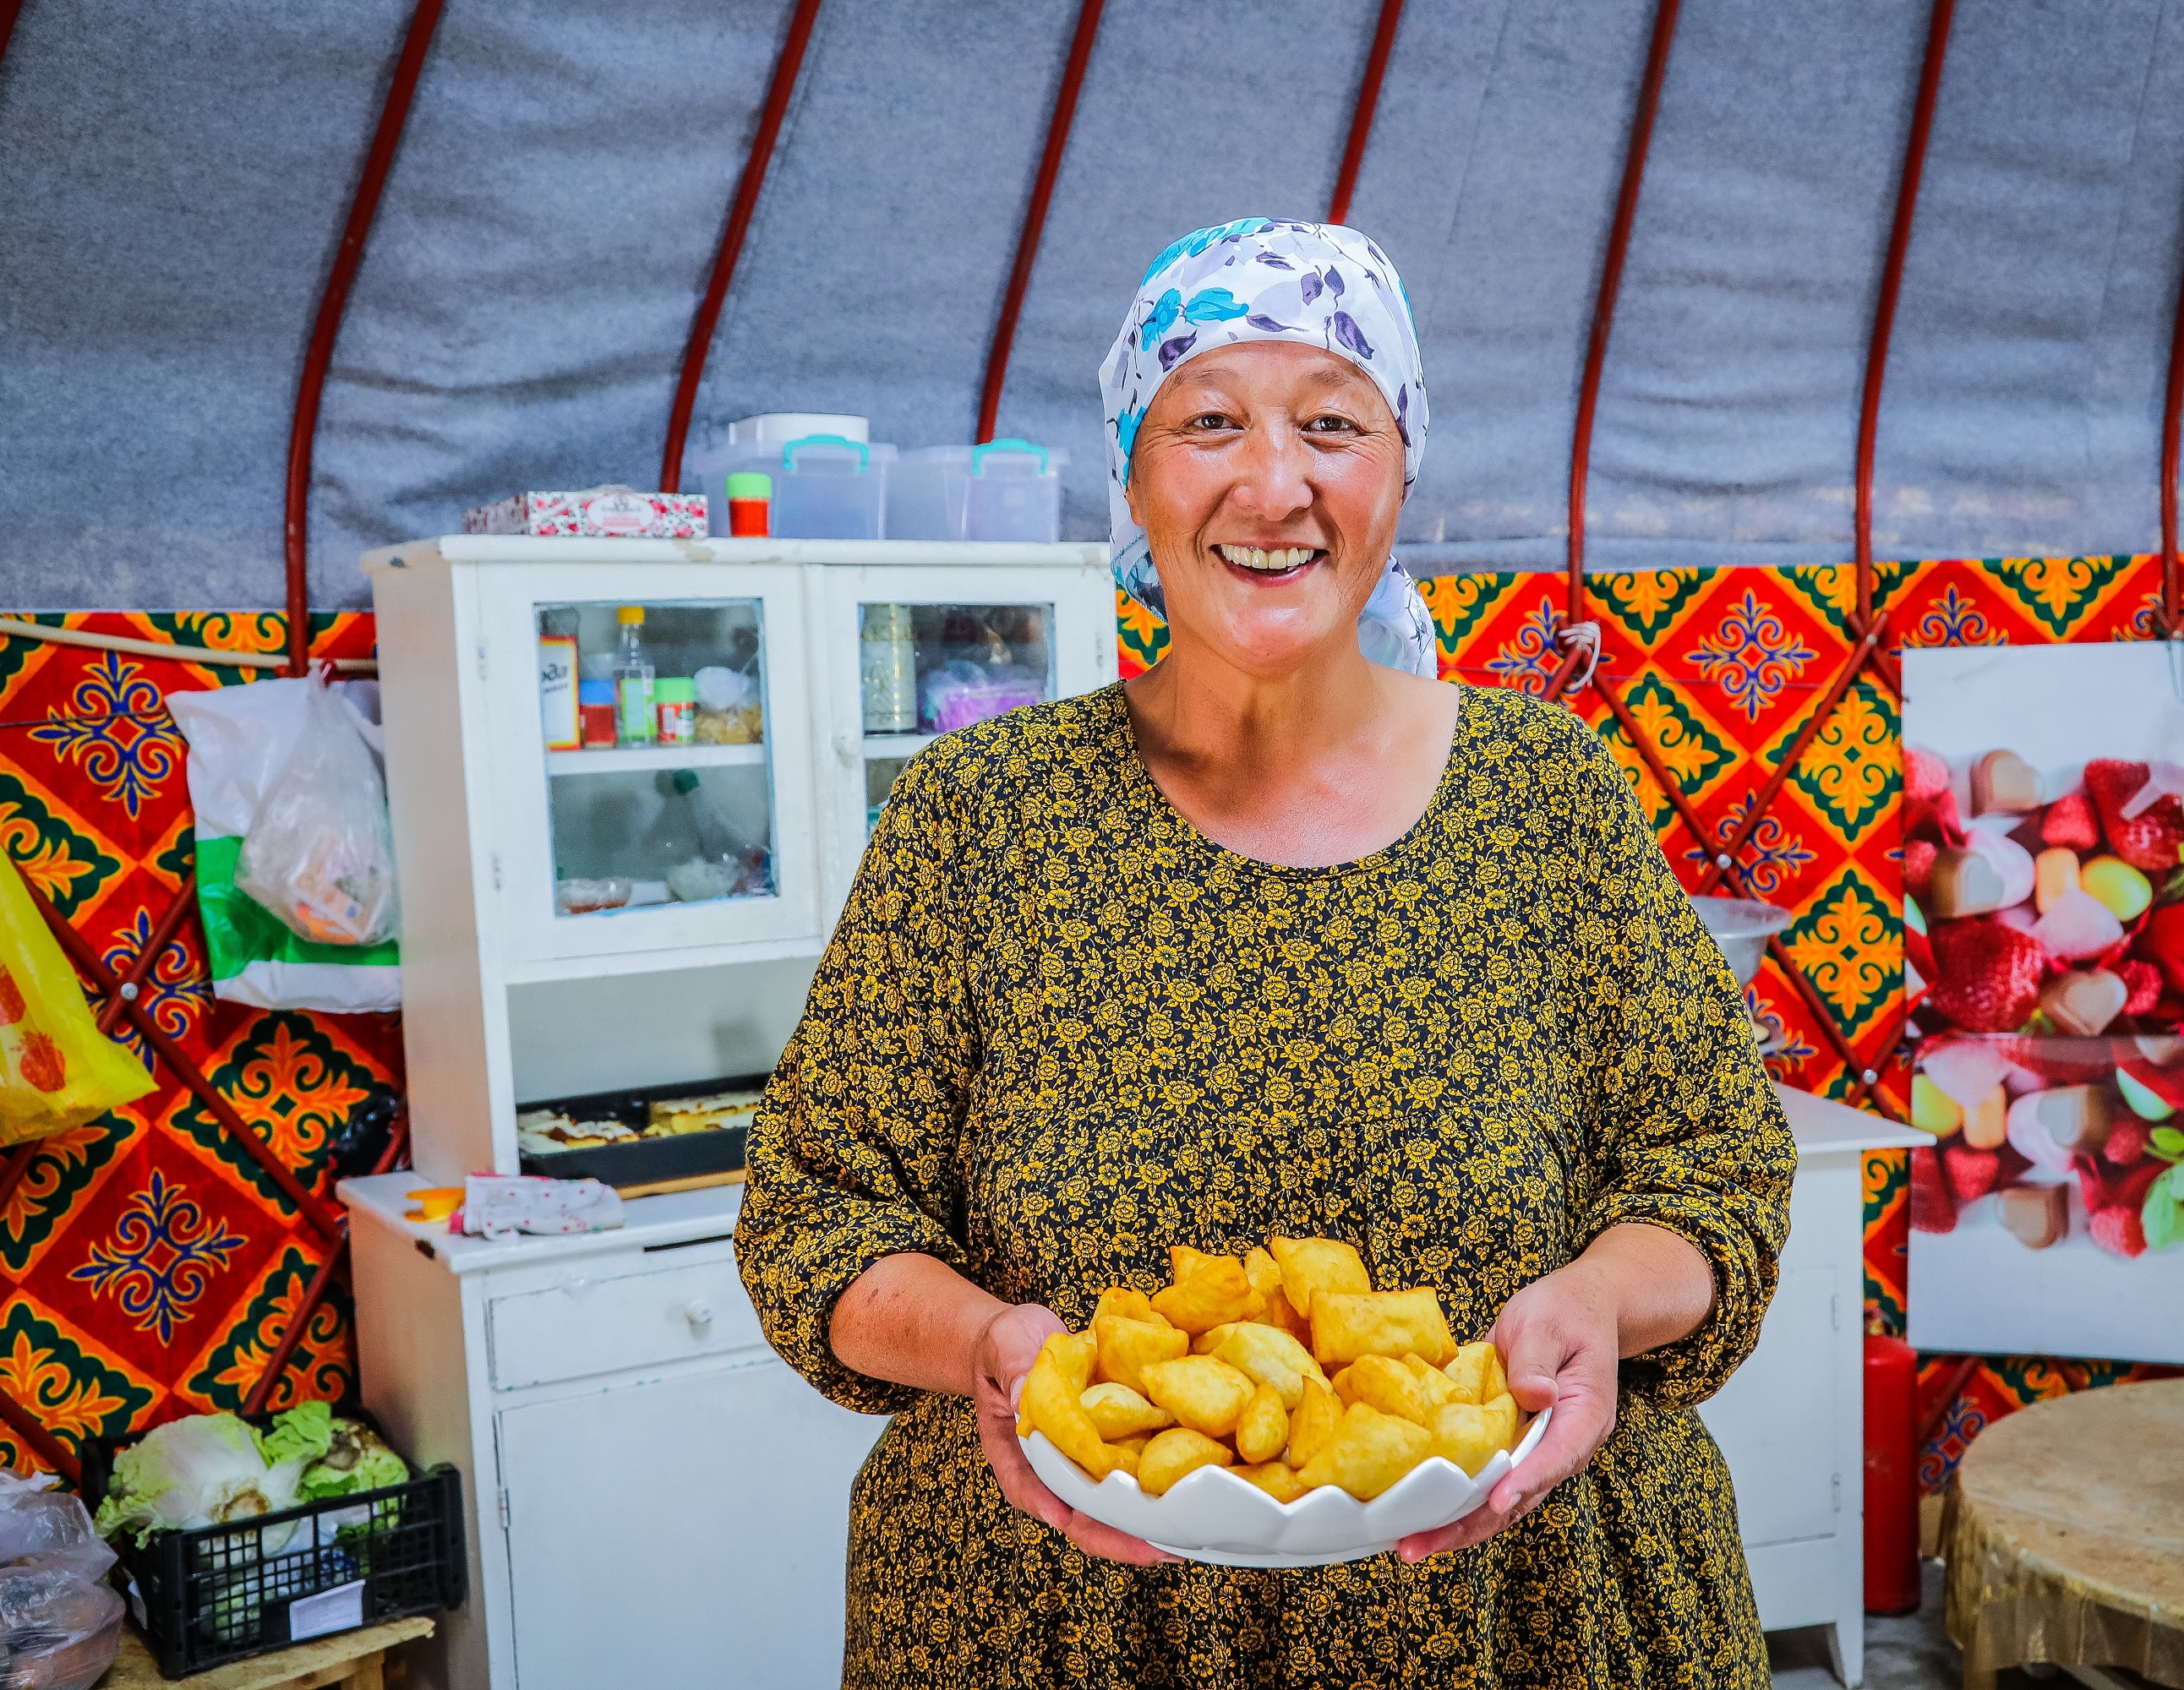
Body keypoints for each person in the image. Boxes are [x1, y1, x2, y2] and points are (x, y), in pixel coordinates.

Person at [737, 218, 1796, 1688]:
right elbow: (814, 1211)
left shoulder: (1548, 798)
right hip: (1054, 1629)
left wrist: (1604, 1304)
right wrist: (985, 1341)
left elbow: (1715, 1167)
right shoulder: (981, 822)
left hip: (1522, 1623)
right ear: (1135, 472)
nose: (1273, 484)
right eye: (1212, 420)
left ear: (1402, 465)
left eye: (1333, 424)